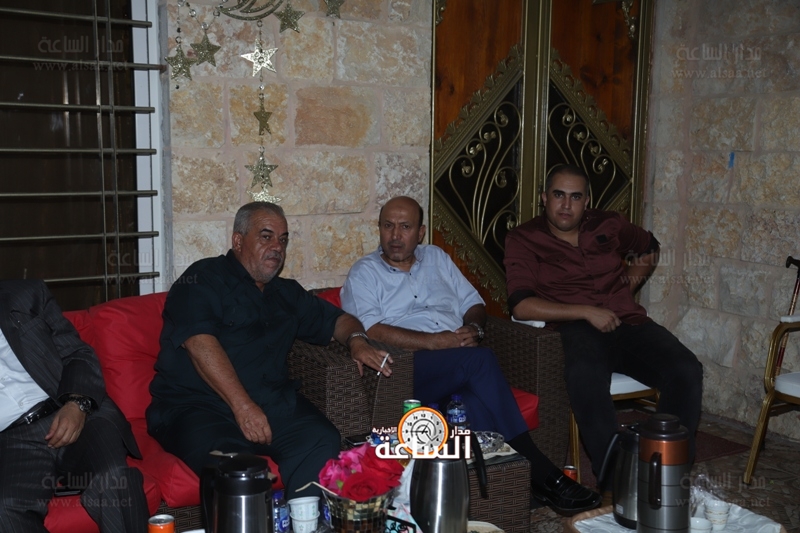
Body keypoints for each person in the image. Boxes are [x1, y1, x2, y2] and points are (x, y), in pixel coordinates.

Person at [341, 195, 601, 514]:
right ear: (379, 228)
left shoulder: (436, 258)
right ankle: (546, 475)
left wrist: (474, 329)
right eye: (388, 226)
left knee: (472, 404)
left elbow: (474, 303)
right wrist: (433, 342)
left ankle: (508, 495)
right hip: (406, 368)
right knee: (480, 360)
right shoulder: (364, 272)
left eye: (405, 227)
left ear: (420, 232)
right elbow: (372, 330)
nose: (395, 235)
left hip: (454, 363)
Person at [146, 202, 389, 499]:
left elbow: (339, 319)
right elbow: (199, 343)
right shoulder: (202, 279)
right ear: (238, 241)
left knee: (321, 439)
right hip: (198, 407)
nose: (277, 247)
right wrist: (244, 407)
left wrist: (357, 340)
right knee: (236, 466)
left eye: (283, 239)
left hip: (271, 403)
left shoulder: (286, 293)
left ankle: (303, 520)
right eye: (266, 236)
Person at [504, 164, 704, 480]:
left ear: (586, 201)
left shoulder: (608, 224)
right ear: (544, 198)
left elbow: (649, 248)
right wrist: (585, 311)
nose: (566, 205)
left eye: (575, 197)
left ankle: (665, 471)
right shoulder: (524, 238)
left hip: (628, 323)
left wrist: (624, 290)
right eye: (558, 195)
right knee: (585, 376)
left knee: (686, 369)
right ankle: (616, 477)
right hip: (576, 327)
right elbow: (521, 305)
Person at [0, 279, 148, 533]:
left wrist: (77, 404)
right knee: (5, 509)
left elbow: (78, 354)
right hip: (13, 440)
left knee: (113, 479)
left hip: (69, 408)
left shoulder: (24, 296)